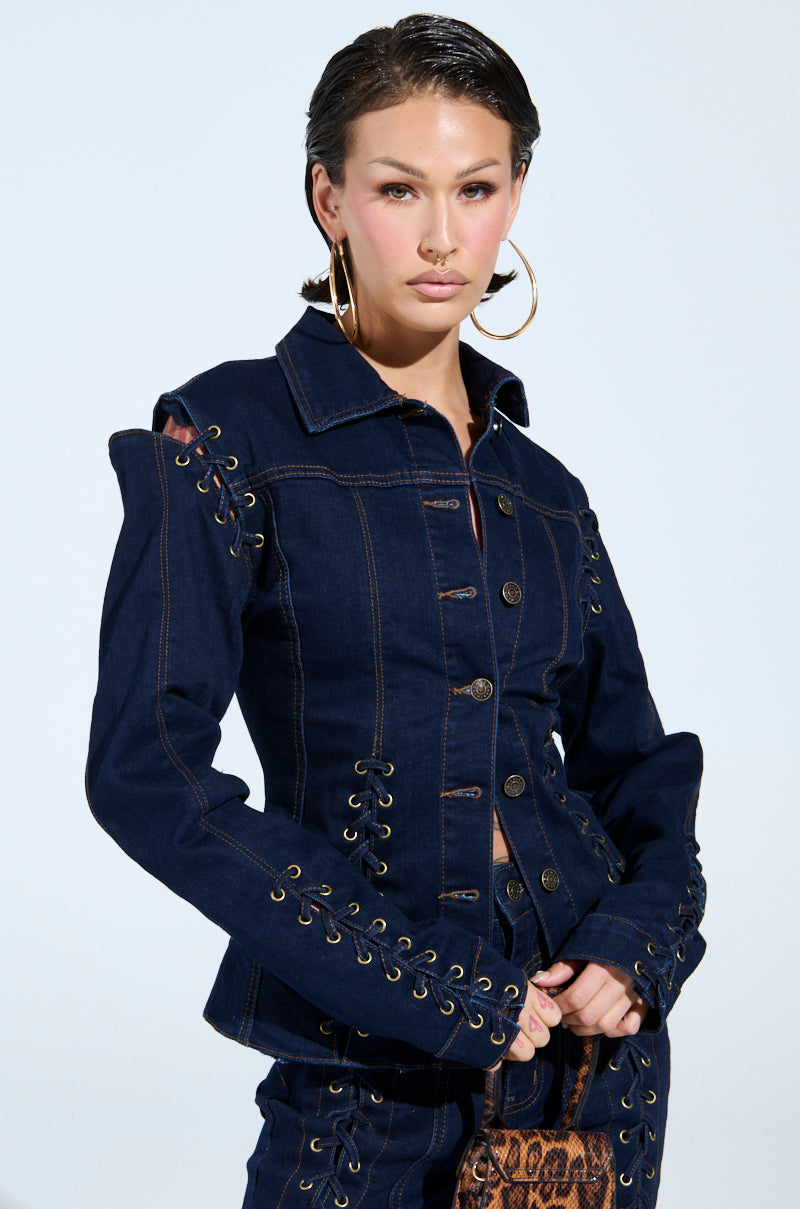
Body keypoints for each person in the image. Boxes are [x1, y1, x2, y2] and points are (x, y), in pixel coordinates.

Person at [86, 14, 705, 1208]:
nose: (438, 235)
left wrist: (637, 949)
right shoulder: (223, 438)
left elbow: (636, 767)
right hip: (367, 1085)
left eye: (473, 188)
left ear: (513, 195)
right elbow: (146, 770)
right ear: (328, 198)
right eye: (395, 188)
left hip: (592, 1078)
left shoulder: (542, 489)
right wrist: (430, 985)